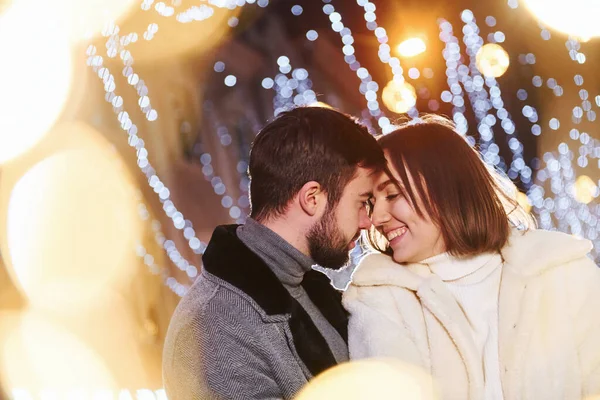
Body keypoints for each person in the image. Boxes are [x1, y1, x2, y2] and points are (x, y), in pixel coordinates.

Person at [343, 115, 600, 400]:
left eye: (392, 194)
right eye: (370, 202)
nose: (376, 217)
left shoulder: (561, 270)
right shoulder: (380, 296)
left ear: (445, 188)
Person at [162, 106, 388, 399]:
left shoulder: (306, 289)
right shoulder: (215, 329)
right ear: (312, 198)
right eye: (362, 202)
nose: (367, 221)